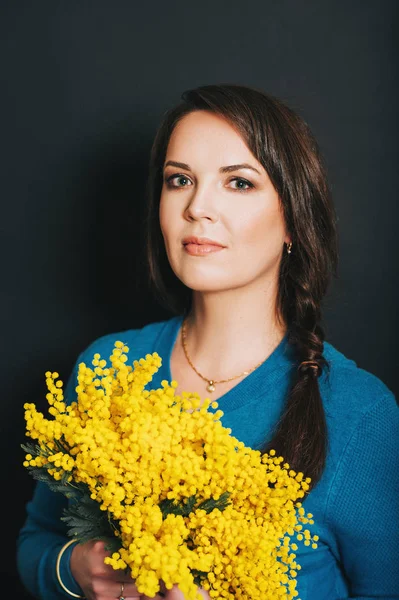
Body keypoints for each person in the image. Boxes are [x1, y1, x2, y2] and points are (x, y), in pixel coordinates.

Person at [17, 84, 399, 600]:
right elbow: (36, 543)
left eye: (238, 183)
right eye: (180, 180)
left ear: (293, 219)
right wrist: (76, 568)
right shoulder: (107, 366)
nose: (197, 207)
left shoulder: (360, 415)